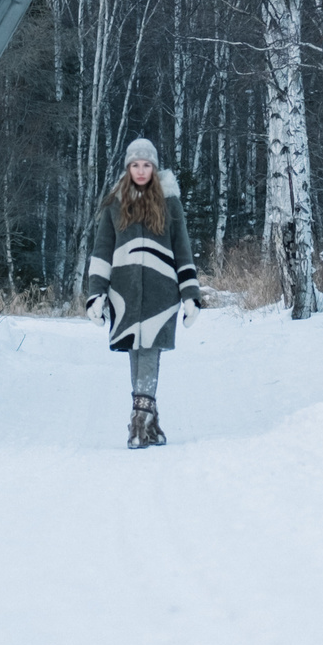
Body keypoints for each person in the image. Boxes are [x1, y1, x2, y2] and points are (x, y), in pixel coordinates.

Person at [84, 138, 199, 449]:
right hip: (124, 293)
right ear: (128, 167)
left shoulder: (169, 203)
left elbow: (183, 249)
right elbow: (102, 251)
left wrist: (190, 294)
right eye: (135, 164)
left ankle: (139, 420)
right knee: (136, 353)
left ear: (154, 167)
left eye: (146, 165)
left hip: (162, 294)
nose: (141, 170)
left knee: (149, 350)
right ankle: (152, 421)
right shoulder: (114, 204)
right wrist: (96, 294)